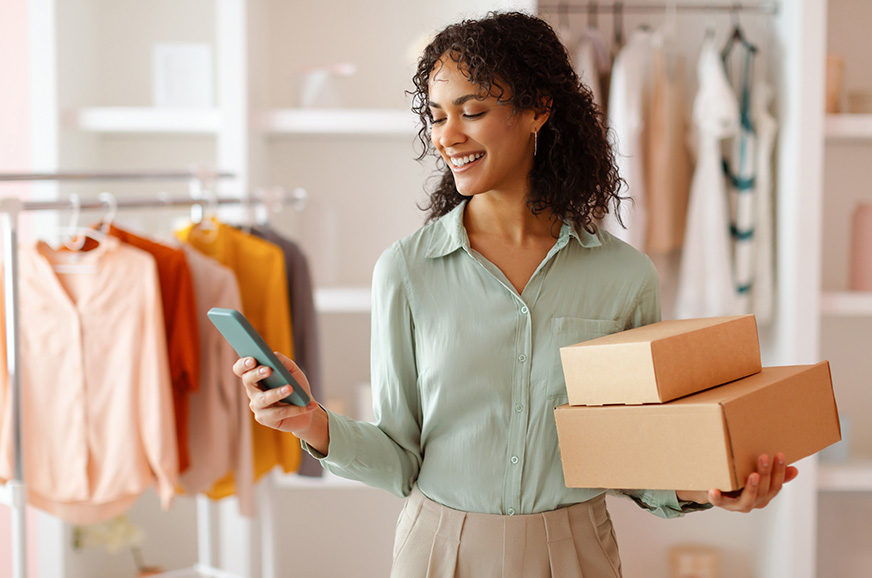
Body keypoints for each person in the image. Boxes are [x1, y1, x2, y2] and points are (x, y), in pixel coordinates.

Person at [233, 11, 797, 578]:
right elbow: (400, 460)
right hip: (439, 549)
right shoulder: (406, 270)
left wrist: (709, 485)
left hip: (577, 551)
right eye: (436, 116)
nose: (448, 136)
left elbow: (632, 457)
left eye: (472, 111)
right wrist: (310, 421)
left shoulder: (625, 278)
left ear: (537, 110)